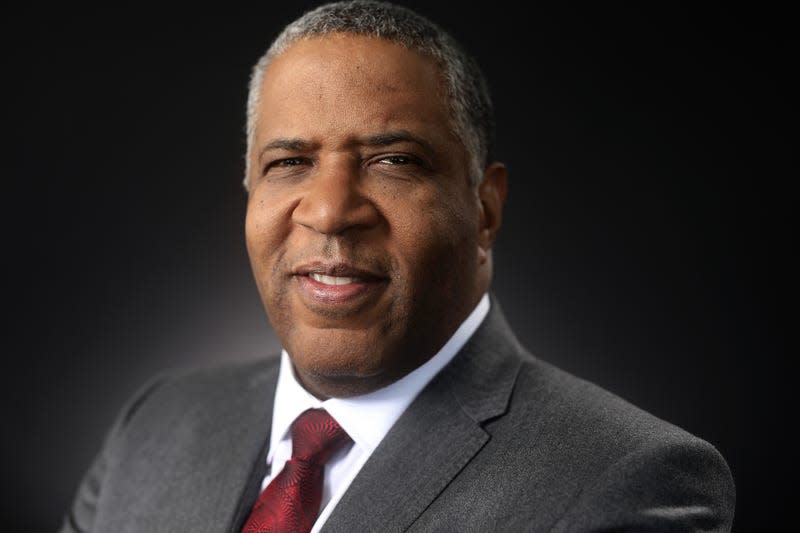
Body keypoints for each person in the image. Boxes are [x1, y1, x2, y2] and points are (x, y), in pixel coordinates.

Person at [61, 1, 736, 531]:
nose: (328, 211)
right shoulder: (155, 423)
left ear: (485, 209)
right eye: (289, 162)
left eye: (394, 161)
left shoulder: (629, 481)